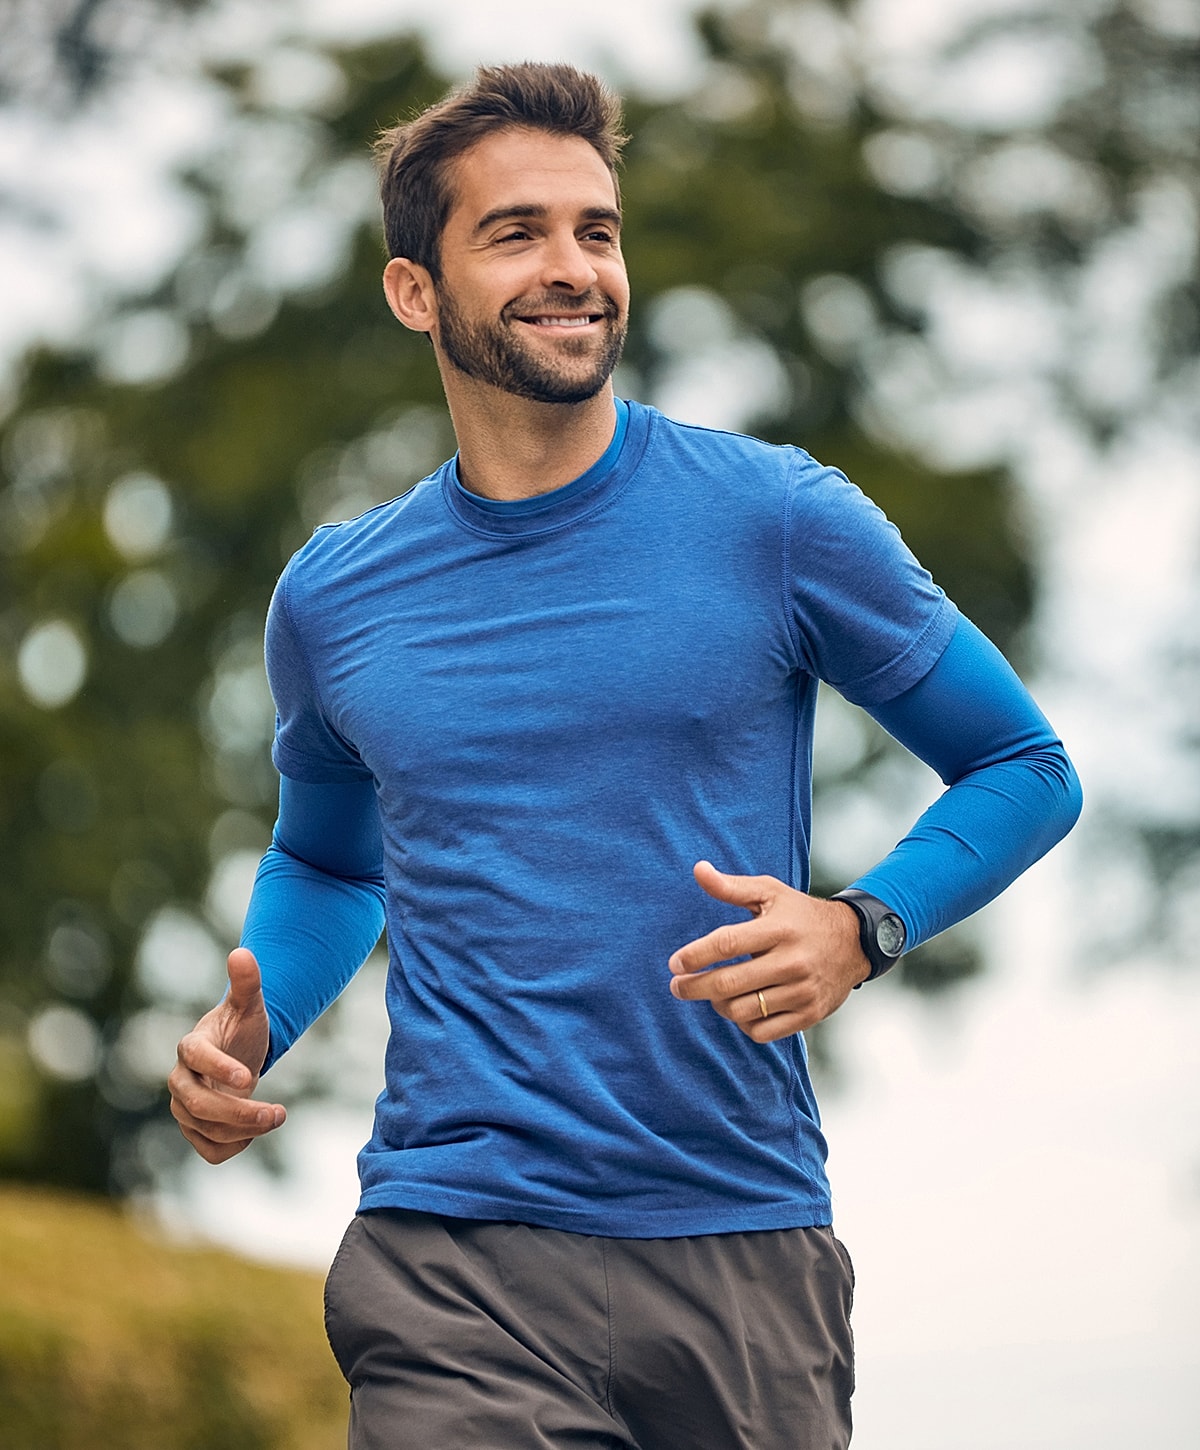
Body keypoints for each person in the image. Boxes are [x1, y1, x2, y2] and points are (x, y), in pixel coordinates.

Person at [168, 62, 1082, 1450]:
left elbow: (1024, 763)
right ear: (416, 290)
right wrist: (258, 1021)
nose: (574, 266)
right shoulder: (337, 594)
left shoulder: (778, 519)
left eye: (596, 229)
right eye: (517, 231)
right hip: (452, 1253)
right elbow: (323, 857)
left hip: (738, 1245)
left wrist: (861, 923)